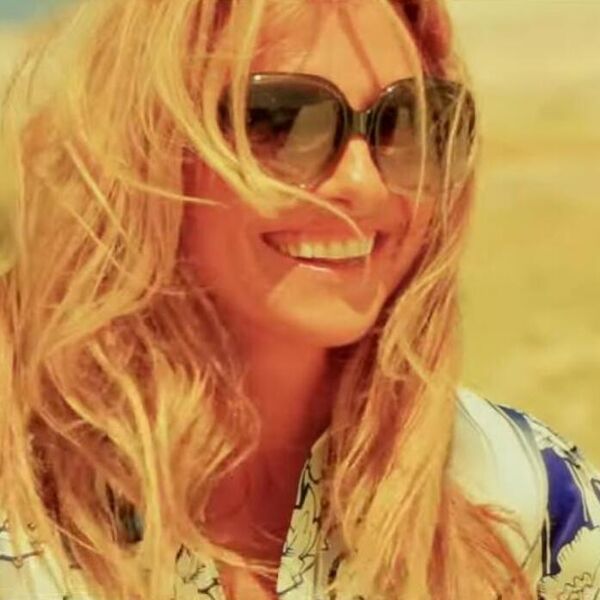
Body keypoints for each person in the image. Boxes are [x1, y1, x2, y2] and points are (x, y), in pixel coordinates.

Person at [0, 0, 599, 598]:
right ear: (147, 146)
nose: (363, 183)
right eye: (280, 121)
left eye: (406, 121)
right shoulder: (22, 503)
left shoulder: (527, 500)